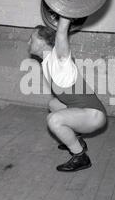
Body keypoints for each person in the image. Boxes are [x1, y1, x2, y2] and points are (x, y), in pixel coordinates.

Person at [28, 17, 107, 172]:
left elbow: (62, 32)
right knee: (53, 104)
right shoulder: (47, 62)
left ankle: (80, 156)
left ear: (44, 41)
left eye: (31, 39)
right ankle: (77, 139)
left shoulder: (59, 59)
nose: (28, 42)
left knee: (54, 120)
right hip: (84, 111)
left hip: (93, 115)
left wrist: (65, 11)